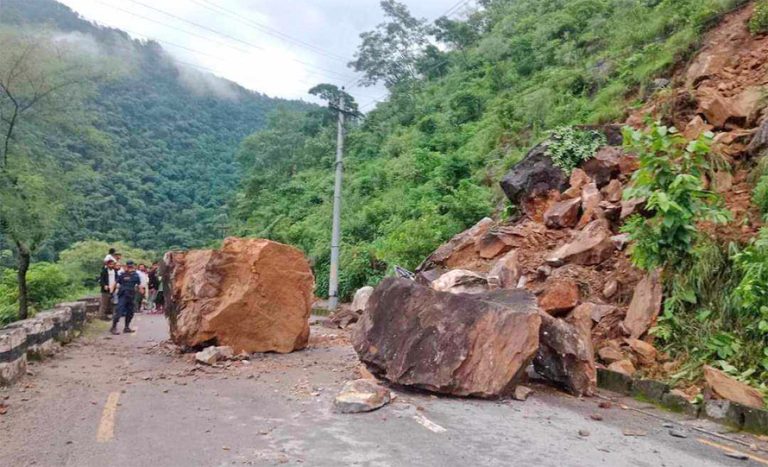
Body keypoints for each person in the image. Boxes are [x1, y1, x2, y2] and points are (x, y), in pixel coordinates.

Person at [111, 260, 144, 335]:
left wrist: (142, 293)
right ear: (126, 266)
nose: (130, 268)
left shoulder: (136, 275)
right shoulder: (122, 275)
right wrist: (111, 292)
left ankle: (127, 327)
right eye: (129, 266)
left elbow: (139, 285)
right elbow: (115, 283)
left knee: (130, 312)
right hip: (123, 295)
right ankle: (113, 327)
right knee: (119, 311)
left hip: (131, 295)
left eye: (131, 266)